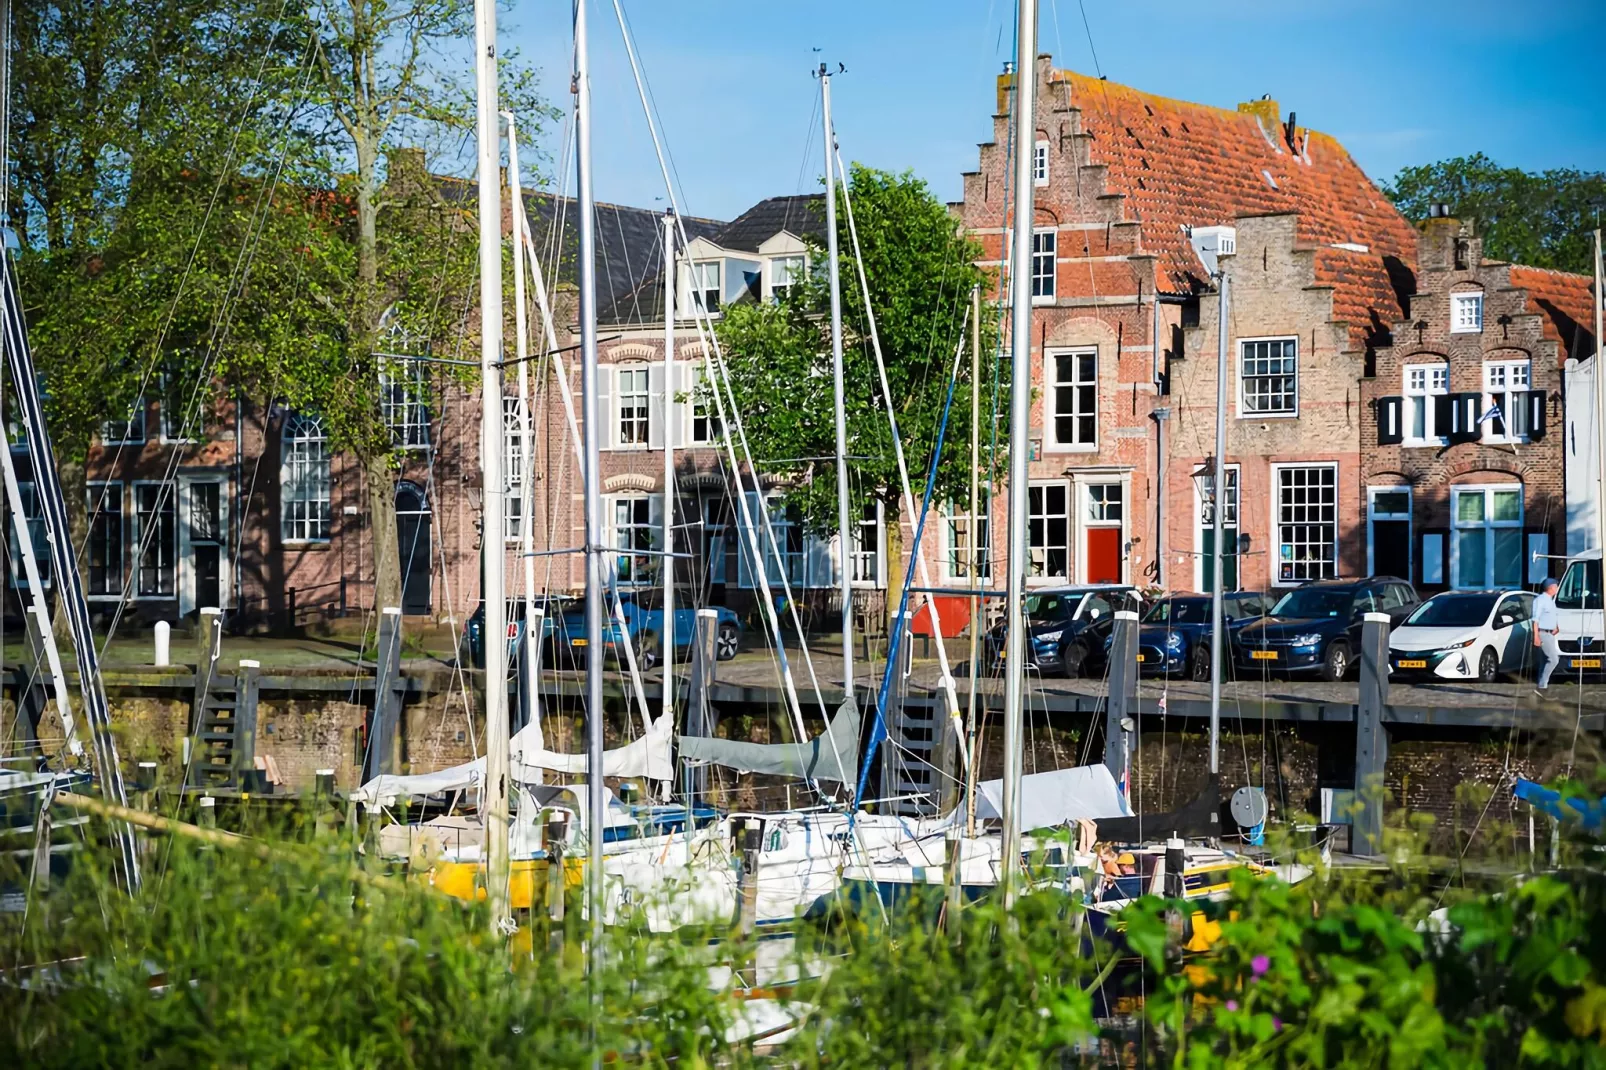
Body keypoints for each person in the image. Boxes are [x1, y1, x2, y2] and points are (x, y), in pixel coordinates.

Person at [1533, 577, 1561, 695]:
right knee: (1554, 659)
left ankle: (1540, 690)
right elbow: (1535, 620)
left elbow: (1550, 616)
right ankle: (1542, 687)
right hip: (1542, 633)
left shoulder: (1550, 600)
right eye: (1556, 586)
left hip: (1550, 633)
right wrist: (1536, 637)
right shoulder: (1540, 600)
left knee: (1545, 661)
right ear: (1551, 587)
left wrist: (1556, 626)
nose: (1558, 588)